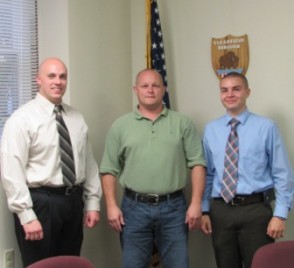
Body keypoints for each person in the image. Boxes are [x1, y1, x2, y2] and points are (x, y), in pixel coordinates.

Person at [100, 68, 206, 268]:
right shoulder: (120, 126)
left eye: (156, 85)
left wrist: (196, 203)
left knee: (178, 264)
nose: (150, 90)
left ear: (164, 89)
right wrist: (111, 205)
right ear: (136, 90)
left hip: (174, 208)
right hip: (134, 209)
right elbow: (108, 169)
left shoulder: (182, 123)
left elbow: (198, 163)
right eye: (145, 86)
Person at [0, 57, 102, 267]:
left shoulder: (76, 118)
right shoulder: (22, 119)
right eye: (51, 76)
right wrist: (26, 215)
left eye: (62, 76)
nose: (58, 81)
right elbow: (12, 171)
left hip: (73, 201)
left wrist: (92, 201)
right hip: (40, 203)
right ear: (39, 79)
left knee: (69, 263)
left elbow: (88, 163)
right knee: (41, 265)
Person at [201, 72, 294, 268]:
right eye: (224, 90)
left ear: (247, 92)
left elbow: (282, 173)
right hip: (221, 210)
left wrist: (280, 214)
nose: (230, 94)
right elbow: (208, 174)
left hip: (256, 211)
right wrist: (205, 210)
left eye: (236, 89)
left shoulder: (266, 127)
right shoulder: (211, 129)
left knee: (260, 264)